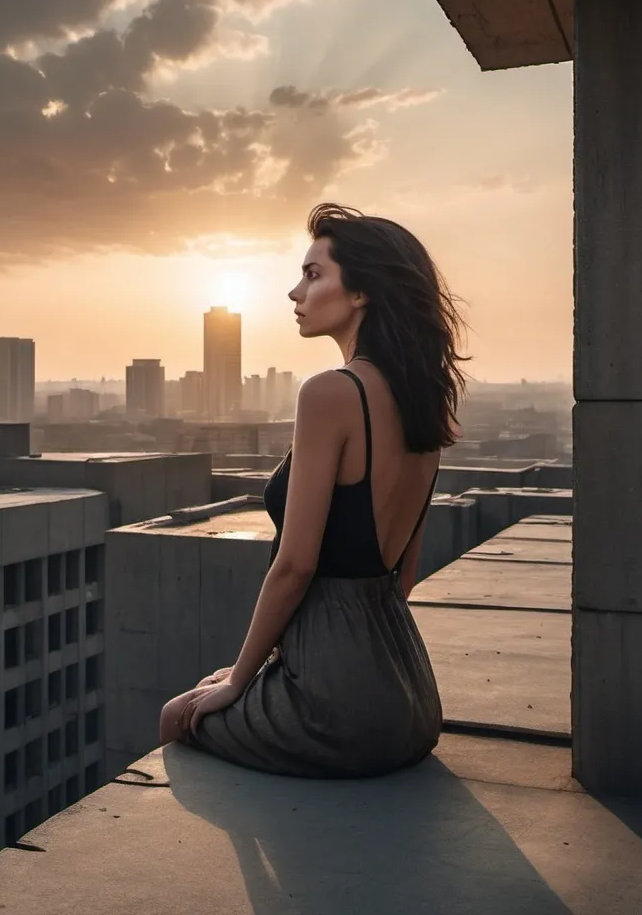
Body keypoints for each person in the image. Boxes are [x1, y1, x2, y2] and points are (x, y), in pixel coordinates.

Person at [159, 203, 468, 778]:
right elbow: (402, 575)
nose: (294, 292)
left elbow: (294, 566)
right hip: (410, 697)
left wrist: (240, 679)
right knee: (212, 688)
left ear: (361, 294)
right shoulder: (424, 397)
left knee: (179, 715)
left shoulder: (331, 392)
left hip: (338, 708)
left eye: (313, 274)